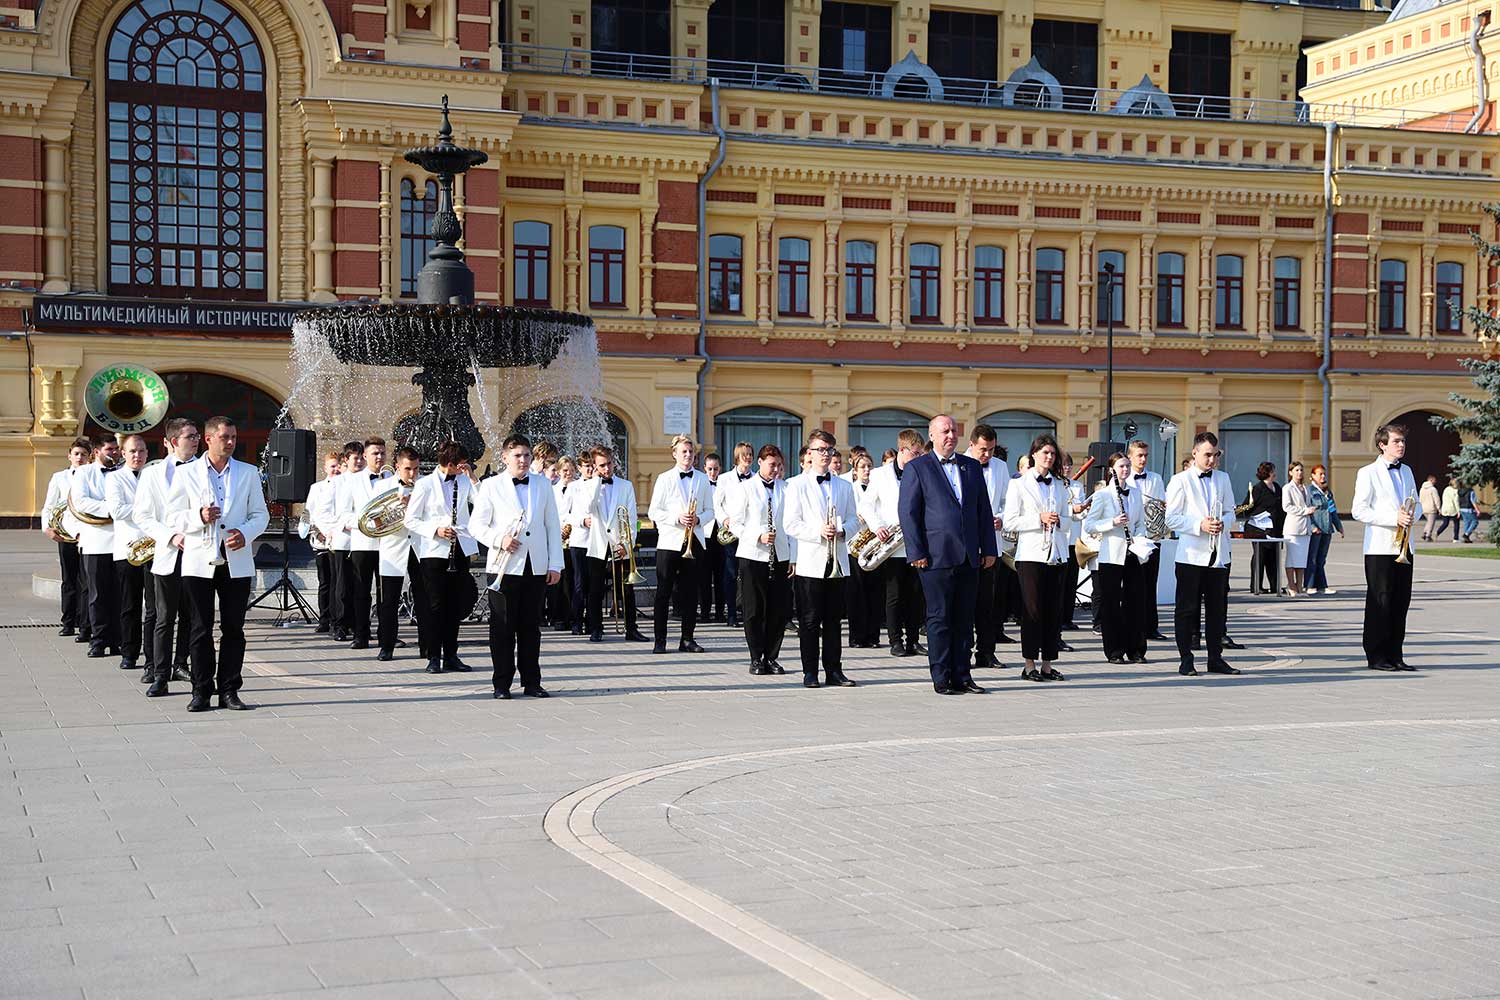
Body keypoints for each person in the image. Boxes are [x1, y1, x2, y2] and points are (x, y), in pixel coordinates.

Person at [167, 416, 269, 712]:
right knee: (200, 628)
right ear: (208, 438)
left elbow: (260, 515)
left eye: (234, 437)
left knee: (234, 629)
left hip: (235, 562)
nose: (231, 442)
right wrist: (198, 517)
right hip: (199, 560)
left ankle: (229, 690)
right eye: (225, 437)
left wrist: (245, 533)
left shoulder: (248, 472)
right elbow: (173, 517)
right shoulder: (187, 474)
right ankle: (201, 690)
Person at [897, 415, 997, 695]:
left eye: (954, 430)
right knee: (939, 619)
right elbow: (908, 513)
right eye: (944, 431)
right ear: (932, 434)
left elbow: (983, 511)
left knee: (965, 619)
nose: (950, 435)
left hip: (969, 556)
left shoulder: (972, 466)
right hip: (935, 557)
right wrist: (916, 550)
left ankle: (963, 675)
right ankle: (941, 677)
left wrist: (989, 548)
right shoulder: (918, 467)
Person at [470, 434, 563, 698]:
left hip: (535, 566)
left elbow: (552, 526)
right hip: (503, 566)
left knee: (530, 628)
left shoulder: (543, 484)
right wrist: (499, 539)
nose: (523, 460)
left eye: (526, 455)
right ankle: (501, 683)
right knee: (502, 628)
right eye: (517, 456)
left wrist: (555, 564)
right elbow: (477, 525)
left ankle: (532, 681)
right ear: (505, 458)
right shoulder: (491, 486)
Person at [784, 430, 858, 688]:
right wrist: (818, 532)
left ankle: (834, 670)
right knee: (810, 620)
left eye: (829, 450)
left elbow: (853, 520)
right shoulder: (795, 484)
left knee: (834, 620)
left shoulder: (844, 486)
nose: (825, 455)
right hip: (810, 562)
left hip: (838, 559)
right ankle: (810, 672)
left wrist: (843, 531)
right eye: (820, 450)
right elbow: (790, 524)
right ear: (809, 454)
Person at [133, 418, 199, 696]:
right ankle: (159, 672)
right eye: (190, 437)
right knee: (163, 617)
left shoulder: (205, 469)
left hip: (198, 550)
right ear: (173, 442)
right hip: (168, 551)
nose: (196, 440)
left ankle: (181, 663)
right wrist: (171, 536)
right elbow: (142, 515)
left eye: (197, 436)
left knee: (192, 615)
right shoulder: (152, 473)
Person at [1166, 431, 1240, 677]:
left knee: (1218, 609)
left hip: (1219, 554)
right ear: (1195, 453)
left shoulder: (1223, 478)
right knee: (1187, 609)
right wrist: (1200, 524)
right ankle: (1186, 658)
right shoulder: (1180, 480)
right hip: (1190, 555)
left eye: (1215, 455)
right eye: (1207, 455)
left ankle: (1215, 658)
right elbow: (1171, 518)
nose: (1212, 460)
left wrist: (1223, 522)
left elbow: (1231, 511)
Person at [404, 440, 479, 675]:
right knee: (436, 605)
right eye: (461, 465)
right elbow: (410, 519)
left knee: (455, 605)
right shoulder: (425, 484)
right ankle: (433, 656)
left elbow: (484, 502)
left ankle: (452, 655)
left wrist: (474, 479)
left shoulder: (465, 481)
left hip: (460, 548)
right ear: (449, 464)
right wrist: (435, 529)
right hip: (434, 552)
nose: (464, 468)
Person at [1352, 423, 1421, 672]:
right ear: (1382, 445)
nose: (1401, 445)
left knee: (1401, 601)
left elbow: (1417, 502)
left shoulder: (1408, 471)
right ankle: (1376, 655)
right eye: (1396, 441)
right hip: (1380, 547)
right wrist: (1394, 519)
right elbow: (1359, 510)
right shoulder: (1368, 472)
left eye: (1403, 441)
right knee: (1380, 601)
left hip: (1404, 546)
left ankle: (1395, 654)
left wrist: (1413, 515)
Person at [1003, 434, 1070, 682]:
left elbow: (1069, 520)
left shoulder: (1061, 484)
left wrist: (1061, 520)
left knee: (1053, 611)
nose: (1049, 458)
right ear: (1034, 455)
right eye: (1045, 453)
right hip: (1031, 555)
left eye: (1053, 454)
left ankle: (1048, 665)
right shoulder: (1019, 484)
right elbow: (1009, 521)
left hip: (1057, 553)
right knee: (1032, 611)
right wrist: (1038, 519)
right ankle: (1028, 664)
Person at [726, 444, 793, 675]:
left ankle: (772, 656)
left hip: (780, 555)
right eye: (772, 465)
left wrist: (792, 556)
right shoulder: (745, 488)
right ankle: (756, 657)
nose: (776, 470)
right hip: (753, 555)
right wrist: (758, 536)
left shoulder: (786, 488)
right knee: (754, 609)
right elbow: (734, 523)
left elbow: (792, 524)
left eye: (779, 465)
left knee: (778, 610)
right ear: (760, 463)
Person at [647, 435, 717, 655]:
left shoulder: (702, 479)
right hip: (669, 542)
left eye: (691, 452)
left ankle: (687, 638)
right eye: (683, 452)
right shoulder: (664, 478)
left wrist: (698, 520)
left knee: (690, 593)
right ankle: (660, 640)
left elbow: (710, 511)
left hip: (694, 541)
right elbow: (653, 512)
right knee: (664, 592)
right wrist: (677, 518)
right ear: (674, 454)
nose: (688, 455)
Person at [859, 428, 925, 657]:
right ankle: (895, 641)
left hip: (916, 542)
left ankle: (913, 640)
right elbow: (866, 505)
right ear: (902, 450)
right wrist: (878, 526)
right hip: (891, 544)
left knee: (916, 594)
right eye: (915, 454)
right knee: (895, 594)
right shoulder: (879, 475)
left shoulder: (922, 471)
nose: (918, 458)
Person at [571, 446, 647, 643]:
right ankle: (596, 628)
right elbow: (588, 507)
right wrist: (596, 482)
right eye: (602, 466)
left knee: (626, 589)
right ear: (595, 467)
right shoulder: (587, 486)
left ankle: (632, 628)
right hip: (597, 543)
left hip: (619, 543)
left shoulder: (626, 485)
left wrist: (626, 543)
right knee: (595, 589)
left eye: (609, 464)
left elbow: (631, 517)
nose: (607, 469)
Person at [1084, 452, 1151, 664]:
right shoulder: (1103, 495)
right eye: (1121, 466)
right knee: (1111, 604)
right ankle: (1114, 651)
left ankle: (1136, 650)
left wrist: (1139, 539)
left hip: (1132, 553)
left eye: (1127, 466)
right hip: (1111, 555)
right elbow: (1090, 525)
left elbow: (1140, 523)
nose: (1125, 470)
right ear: (1112, 469)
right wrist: (1112, 522)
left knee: (1135, 602)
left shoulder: (1135, 493)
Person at [105, 434, 155, 677]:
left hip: (155, 547)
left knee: (155, 607)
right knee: (129, 604)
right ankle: (129, 652)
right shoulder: (114, 478)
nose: (137, 456)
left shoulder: (154, 476)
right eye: (132, 451)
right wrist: (147, 511)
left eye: (142, 451)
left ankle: (152, 654)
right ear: (123, 454)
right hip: (128, 549)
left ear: (147, 454)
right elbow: (116, 511)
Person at [71, 434, 122, 658]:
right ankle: (98, 640)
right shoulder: (83, 473)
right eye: (110, 449)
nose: (115, 453)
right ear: (97, 452)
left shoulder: (124, 472)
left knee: (120, 595)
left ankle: (119, 641)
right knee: (97, 595)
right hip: (96, 542)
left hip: (122, 541)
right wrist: (111, 509)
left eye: (116, 449)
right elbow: (80, 501)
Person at [374, 447, 428, 663]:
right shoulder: (383, 486)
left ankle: (428, 647)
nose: (413, 474)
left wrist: (413, 508)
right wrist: (396, 508)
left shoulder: (426, 484)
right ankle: (386, 646)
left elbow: (433, 514)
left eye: (416, 469)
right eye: (408, 469)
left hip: (420, 547)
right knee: (389, 601)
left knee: (425, 599)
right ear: (397, 466)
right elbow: (373, 521)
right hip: (393, 547)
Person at [338, 437, 390, 651]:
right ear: (366, 456)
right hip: (362, 544)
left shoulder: (393, 478)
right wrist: (367, 524)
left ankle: (387, 635)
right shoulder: (351, 481)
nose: (379, 457)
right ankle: (361, 635)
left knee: (386, 593)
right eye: (375, 453)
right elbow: (343, 514)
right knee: (361, 592)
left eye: (382, 453)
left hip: (388, 545)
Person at [966, 424, 1009, 670]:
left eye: (991, 450)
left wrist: (1001, 516)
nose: (987, 455)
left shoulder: (1000, 468)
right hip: (966, 546)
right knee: (965, 604)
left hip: (992, 543)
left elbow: (1006, 501)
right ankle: (964, 651)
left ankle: (986, 652)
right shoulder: (960, 464)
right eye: (983, 450)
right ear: (972, 444)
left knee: (988, 603)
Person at [41, 437, 92, 638]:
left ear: (90, 457)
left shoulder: (93, 475)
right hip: (65, 535)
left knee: (86, 581)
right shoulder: (59, 477)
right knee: (69, 579)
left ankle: (85, 624)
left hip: (87, 534)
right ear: (69, 456)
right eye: (76, 454)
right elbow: (49, 505)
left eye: (84, 454)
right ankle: (68, 621)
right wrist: (47, 528)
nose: (79, 458)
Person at [322, 441, 365, 641]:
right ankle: (339, 624)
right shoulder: (337, 482)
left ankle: (359, 625)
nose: (359, 461)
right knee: (342, 585)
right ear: (345, 460)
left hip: (364, 541)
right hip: (343, 540)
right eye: (355, 458)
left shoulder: (367, 479)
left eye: (361, 457)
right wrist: (340, 526)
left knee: (360, 585)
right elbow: (325, 511)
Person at [1126, 440, 1168, 642]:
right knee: (1134, 585)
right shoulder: (1123, 477)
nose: (1143, 459)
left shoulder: (1156, 478)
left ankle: (1151, 627)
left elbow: (1159, 507)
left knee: (1151, 584)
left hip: (1152, 538)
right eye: (1139, 455)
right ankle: (1134, 628)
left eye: (1145, 455)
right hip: (1133, 539)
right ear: (1130, 456)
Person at [845, 451, 883, 649]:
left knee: (874, 592)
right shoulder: (850, 490)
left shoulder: (878, 488)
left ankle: (873, 636)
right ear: (854, 471)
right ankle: (856, 636)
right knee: (856, 593)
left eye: (869, 466)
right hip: (855, 546)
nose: (867, 470)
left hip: (875, 545)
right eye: (862, 467)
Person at [717, 441, 755, 628]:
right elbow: (717, 505)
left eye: (750, 454)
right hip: (732, 534)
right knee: (731, 574)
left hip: (751, 534)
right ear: (737, 456)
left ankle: (748, 612)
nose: (748, 458)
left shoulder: (757, 478)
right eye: (744, 454)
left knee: (749, 574)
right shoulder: (724, 479)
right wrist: (724, 520)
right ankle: (731, 613)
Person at [304, 452, 343, 633]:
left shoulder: (346, 485)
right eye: (332, 466)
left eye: (338, 466)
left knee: (340, 582)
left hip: (340, 540)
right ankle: (324, 619)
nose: (335, 469)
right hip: (322, 541)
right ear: (325, 468)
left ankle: (340, 619)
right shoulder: (317, 488)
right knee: (325, 581)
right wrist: (318, 533)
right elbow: (308, 513)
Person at [1055, 451, 1088, 650]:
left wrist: (1081, 509)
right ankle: (1058, 620)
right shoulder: (1055, 484)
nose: (1067, 469)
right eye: (1064, 465)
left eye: (1069, 465)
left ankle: (1067, 617)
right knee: (1059, 584)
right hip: (1058, 539)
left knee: (1070, 582)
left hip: (1072, 539)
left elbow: (1078, 515)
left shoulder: (1076, 486)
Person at [1243, 461, 1284, 595]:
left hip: (1274, 528)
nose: (1274, 473)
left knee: (1273, 557)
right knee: (1260, 556)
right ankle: (1256, 586)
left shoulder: (1277, 487)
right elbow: (1247, 508)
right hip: (1258, 529)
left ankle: (1275, 585)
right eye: (1272, 471)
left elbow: (1281, 508)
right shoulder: (1258, 489)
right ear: (1267, 472)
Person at [1305, 464, 1344, 595]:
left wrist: (1339, 526)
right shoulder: (1309, 491)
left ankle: (1322, 585)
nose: (1322, 476)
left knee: (1322, 558)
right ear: (1312, 476)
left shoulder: (1327, 492)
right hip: (1316, 529)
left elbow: (1333, 510)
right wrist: (1313, 527)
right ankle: (1309, 584)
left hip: (1327, 529)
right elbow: (1307, 511)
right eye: (1319, 474)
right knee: (1312, 558)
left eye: (1324, 474)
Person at [550, 456, 578, 632]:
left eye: (571, 470)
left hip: (574, 535)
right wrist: (559, 528)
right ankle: (557, 616)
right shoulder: (551, 489)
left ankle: (571, 616)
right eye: (565, 470)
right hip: (556, 537)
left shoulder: (579, 488)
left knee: (571, 579)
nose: (568, 474)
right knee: (557, 580)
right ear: (559, 472)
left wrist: (568, 526)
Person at [566, 452, 594, 633]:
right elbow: (563, 514)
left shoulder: (602, 484)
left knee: (594, 584)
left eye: (592, 465)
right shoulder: (573, 487)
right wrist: (582, 521)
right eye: (586, 466)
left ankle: (593, 622)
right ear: (579, 468)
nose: (590, 469)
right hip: (579, 540)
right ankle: (576, 621)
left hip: (598, 541)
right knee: (579, 583)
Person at [700, 451, 728, 623]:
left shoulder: (725, 483)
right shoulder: (701, 483)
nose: (712, 472)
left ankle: (719, 612)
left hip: (721, 532)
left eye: (715, 469)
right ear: (705, 468)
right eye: (709, 469)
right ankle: (704, 612)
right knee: (704, 576)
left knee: (721, 575)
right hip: (705, 532)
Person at [1281, 461, 1316, 597]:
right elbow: (1287, 507)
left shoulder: (1305, 488)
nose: (1299, 472)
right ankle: (1291, 586)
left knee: (1302, 560)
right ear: (1290, 472)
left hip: (1305, 528)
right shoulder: (1287, 488)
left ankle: (1300, 587)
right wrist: (1305, 510)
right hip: (1293, 528)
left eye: (1301, 470)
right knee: (1291, 559)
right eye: (1296, 470)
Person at [1419, 475, 1441, 541]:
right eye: (1434, 480)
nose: (1435, 481)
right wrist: (1439, 508)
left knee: (1428, 522)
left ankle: (1425, 532)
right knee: (1431, 522)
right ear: (1431, 480)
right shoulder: (1433, 489)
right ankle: (1428, 535)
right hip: (1431, 508)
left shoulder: (1422, 489)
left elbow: (1420, 498)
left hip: (1424, 508)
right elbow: (1436, 499)